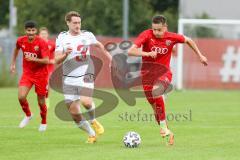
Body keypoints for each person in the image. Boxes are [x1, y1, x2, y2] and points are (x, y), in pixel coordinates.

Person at [128, 15, 208, 145]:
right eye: (154, 29)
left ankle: (164, 127)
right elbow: (131, 51)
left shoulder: (172, 37)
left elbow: (189, 40)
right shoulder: (146, 35)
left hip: (164, 73)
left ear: (165, 27)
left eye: (159, 30)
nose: (156, 33)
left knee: (156, 91)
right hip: (147, 76)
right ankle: (168, 132)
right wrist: (146, 54)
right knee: (156, 112)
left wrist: (200, 55)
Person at [54, 11, 112, 143]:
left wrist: (110, 58)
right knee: (74, 114)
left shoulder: (87, 35)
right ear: (68, 23)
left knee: (86, 102)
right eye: (74, 23)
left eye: (79, 22)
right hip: (69, 79)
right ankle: (92, 134)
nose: (77, 25)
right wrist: (65, 54)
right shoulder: (62, 37)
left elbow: (99, 46)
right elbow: (57, 59)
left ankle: (93, 120)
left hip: (86, 74)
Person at [10, 20, 50, 132]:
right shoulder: (20, 40)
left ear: (36, 31)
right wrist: (13, 63)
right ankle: (28, 115)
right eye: (28, 30)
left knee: (41, 101)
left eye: (33, 30)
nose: (31, 32)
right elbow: (16, 49)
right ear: (25, 31)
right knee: (21, 97)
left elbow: (46, 60)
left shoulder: (41, 42)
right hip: (28, 73)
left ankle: (43, 122)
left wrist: (34, 59)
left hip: (41, 75)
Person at [39, 27, 56, 108]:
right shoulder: (36, 44)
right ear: (39, 35)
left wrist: (52, 60)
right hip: (39, 68)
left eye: (45, 34)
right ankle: (42, 99)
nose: (43, 35)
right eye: (42, 34)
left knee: (47, 84)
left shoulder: (52, 44)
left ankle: (47, 99)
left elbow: (56, 56)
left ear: (47, 35)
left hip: (49, 68)